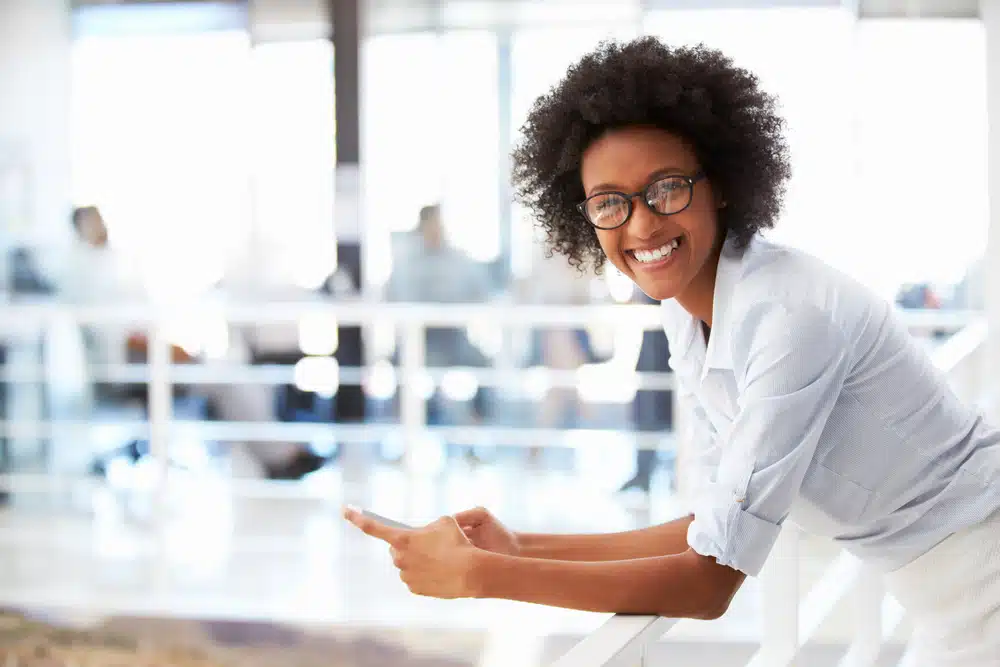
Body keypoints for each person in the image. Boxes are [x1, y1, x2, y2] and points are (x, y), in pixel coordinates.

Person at [345, 38, 1000, 665]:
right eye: (610, 203)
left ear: (719, 183)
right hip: (948, 597)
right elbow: (712, 525)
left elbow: (709, 581)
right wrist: (519, 544)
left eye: (665, 189)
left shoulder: (788, 316)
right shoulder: (690, 315)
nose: (641, 224)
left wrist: (486, 576)